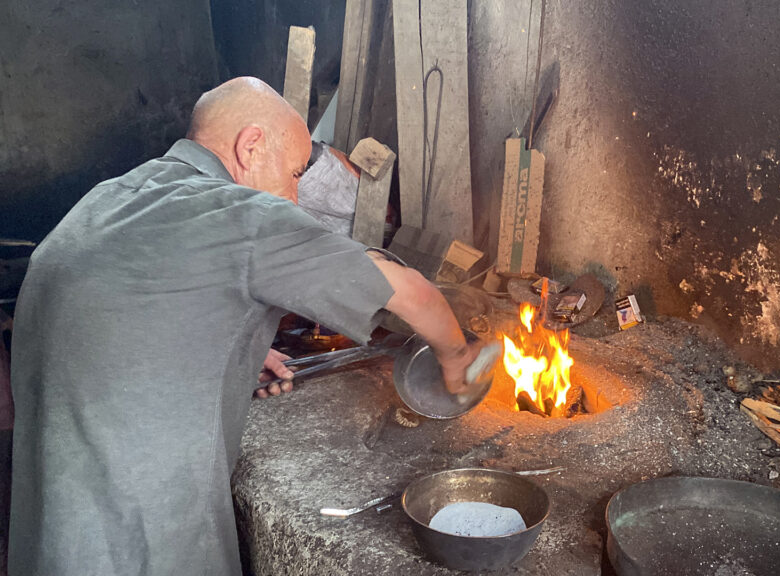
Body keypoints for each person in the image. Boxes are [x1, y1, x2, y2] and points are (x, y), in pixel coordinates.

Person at [8, 77, 480, 576]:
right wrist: (454, 356)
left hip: (48, 521)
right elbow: (412, 293)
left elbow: (127, 305)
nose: (295, 198)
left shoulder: (106, 199)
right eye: (296, 173)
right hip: (143, 534)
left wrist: (238, 353)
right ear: (250, 146)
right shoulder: (245, 214)